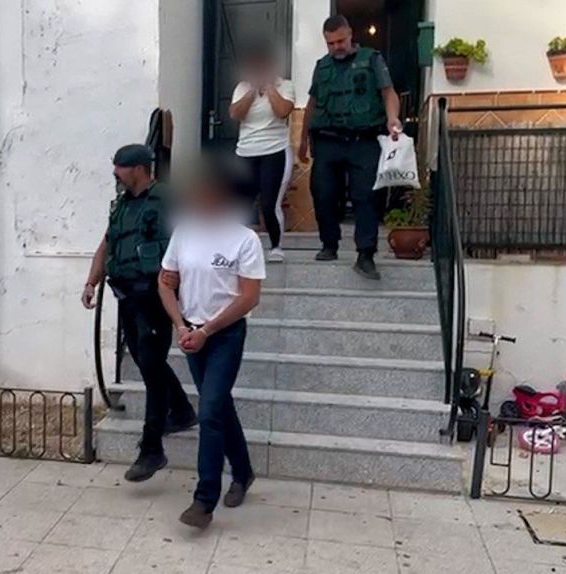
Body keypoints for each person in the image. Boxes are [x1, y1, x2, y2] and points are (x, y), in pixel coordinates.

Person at [158, 157, 265, 529]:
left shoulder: (244, 240)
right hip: (191, 332)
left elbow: (249, 297)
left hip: (224, 335)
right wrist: (180, 325)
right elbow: (166, 282)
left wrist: (208, 331)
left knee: (209, 411)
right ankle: (243, 472)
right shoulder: (183, 232)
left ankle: (204, 500)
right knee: (218, 407)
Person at [83, 144, 197, 483]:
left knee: (150, 364)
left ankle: (151, 449)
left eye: (120, 166)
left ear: (138, 168)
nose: (115, 172)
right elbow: (106, 244)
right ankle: (182, 410)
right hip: (127, 297)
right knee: (149, 362)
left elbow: (191, 242)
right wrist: (91, 281)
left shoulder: (168, 199)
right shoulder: (121, 204)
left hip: (156, 296)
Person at [298, 15, 402, 280]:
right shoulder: (322, 66)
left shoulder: (372, 59)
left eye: (340, 41)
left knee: (365, 196)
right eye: (330, 43)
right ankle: (329, 245)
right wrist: (302, 140)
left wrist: (392, 119)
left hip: (363, 139)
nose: (337, 47)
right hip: (327, 140)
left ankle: (365, 254)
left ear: (350, 35)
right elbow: (312, 103)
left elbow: (388, 92)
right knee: (323, 192)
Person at [228, 41, 295, 262]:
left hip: (274, 150)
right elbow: (235, 114)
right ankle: (239, 248)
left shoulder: (285, 86)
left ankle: (276, 246)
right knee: (241, 203)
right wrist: (252, 92)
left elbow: (283, 111)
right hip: (246, 152)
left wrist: (269, 88)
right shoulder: (242, 88)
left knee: (269, 203)